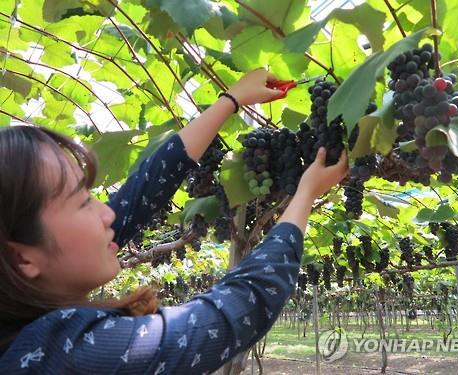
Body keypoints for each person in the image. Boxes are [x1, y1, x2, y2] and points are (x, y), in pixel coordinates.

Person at [0, 69, 348, 374]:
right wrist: (306, 193)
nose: (108, 213)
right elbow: (243, 305)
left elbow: (141, 191)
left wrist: (231, 99)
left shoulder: (23, 334)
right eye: (83, 203)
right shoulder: (78, 355)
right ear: (22, 258)